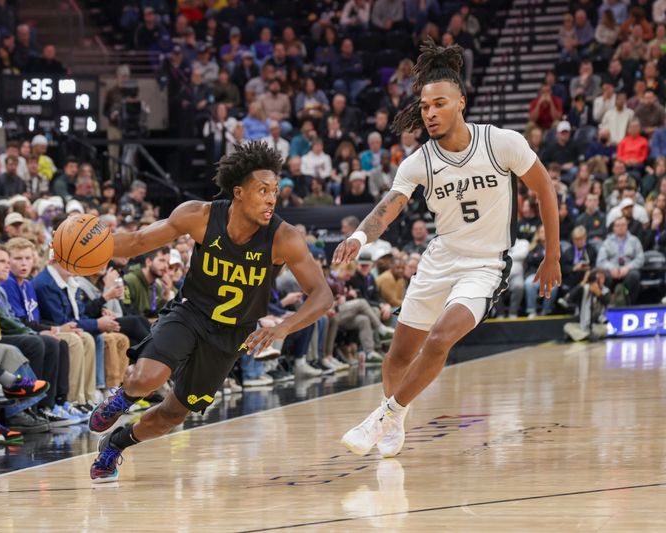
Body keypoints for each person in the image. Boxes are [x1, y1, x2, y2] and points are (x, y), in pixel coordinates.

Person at [331, 40, 561, 458]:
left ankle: (382, 417)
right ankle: (396, 417)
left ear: (461, 103)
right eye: (424, 107)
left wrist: (552, 256)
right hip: (440, 261)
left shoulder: (501, 143)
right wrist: (359, 237)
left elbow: (545, 190)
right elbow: (387, 209)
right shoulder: (419, 161)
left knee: (439, 339)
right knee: (398, 353)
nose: (430, 113)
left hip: (485, 265)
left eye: (439, 104)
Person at [86, 142, 333, 482]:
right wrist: (91, 244)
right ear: (239, 192)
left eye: (275, 190)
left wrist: (283, 327)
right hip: (191, 313)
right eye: (263, 190)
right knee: (146, 379)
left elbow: (323, 295)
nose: (272, 198)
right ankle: (121, 399)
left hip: (231, 334)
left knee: (172, 414)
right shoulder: (200, 216)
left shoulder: (283, 238)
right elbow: (140, 240)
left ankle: (116, 443)